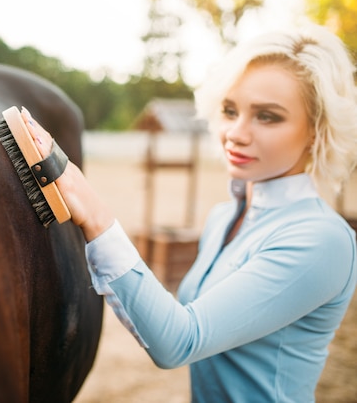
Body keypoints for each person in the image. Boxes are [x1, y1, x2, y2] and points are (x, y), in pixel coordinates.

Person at [20, 23, 357, 402]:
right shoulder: (223, 217)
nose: (236, 133)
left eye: (267, 116)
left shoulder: (322, 240)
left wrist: (96, 215)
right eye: (230, 110)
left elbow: (181, 340)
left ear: (316, 129)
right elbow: (176, 320)